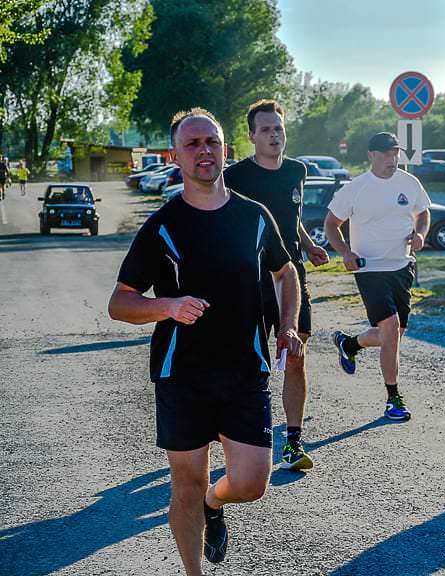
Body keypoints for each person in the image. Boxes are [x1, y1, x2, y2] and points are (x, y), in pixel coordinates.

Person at [108, 108, 303, 576]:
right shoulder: (162, 226)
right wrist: (168, 306)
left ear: (225, 150)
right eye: (193, 144)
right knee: (186, 486)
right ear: (174, 155)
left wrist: (288, 325)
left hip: (245, 368)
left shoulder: (254, 217)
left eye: (211, 142)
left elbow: (286, 272)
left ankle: (218, 503)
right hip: (183, 373)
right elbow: (120, 302)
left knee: (253, 482)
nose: (204, 151)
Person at [223, 99, 330, 471]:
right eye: (266, 129)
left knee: (296, 357)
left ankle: (293, 442)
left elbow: (291, 216)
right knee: (248, 364)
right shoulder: (235, 177)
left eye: (279, 128)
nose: (274, 135)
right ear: (252, 135)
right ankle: (238, 436)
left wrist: (308, 243)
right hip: (249, 280)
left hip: (292, 277)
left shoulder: (297, 171)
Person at [324, 132, 430, 421]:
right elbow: (331, 224)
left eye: (395, 153)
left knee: (392, 335)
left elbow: (423, 213)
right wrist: (345, 252)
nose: (391, 159)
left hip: (402, 266)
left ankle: (350, 344)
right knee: (391, 327)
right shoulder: (356, 188)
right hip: (368, 268)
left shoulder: (410, 183)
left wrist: (420, 234)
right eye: (385, 154)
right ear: (371, 155)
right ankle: (393, 398)